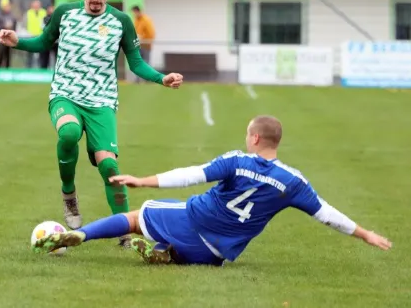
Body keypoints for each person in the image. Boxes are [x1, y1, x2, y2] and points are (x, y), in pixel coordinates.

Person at [33, 115, 392, 265]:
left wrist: (142, 180)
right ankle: (166, 253)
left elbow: (192, 174)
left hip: (196, 222)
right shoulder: (294, 182)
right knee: (175, 217)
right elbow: (327, 215)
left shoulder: (238, 160)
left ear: (254, 138)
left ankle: (78, 234)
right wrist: (365, 234)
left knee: (138, 215)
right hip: (219, 253)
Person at [0, 0, 184, 248]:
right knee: (69, 133)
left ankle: (124, 231)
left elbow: (135, 63)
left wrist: (162, 78)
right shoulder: (65, 14)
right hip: (66, 94)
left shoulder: (121, 20)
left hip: (102, 102)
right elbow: (43, 42)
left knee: (110, 166)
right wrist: (17, 41)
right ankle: (69, 195)